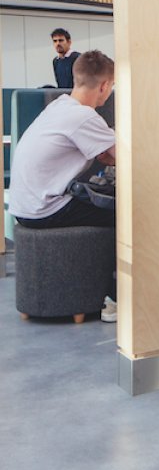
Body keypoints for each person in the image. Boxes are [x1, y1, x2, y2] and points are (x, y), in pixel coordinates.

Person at [10, 50, 117, 321]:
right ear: (104, 85)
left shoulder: (59, 106)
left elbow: (104, 153)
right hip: (47, 209)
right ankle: (115, 297)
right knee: (132, 216)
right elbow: (121, 155)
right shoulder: (84, 117)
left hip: (24, 206)